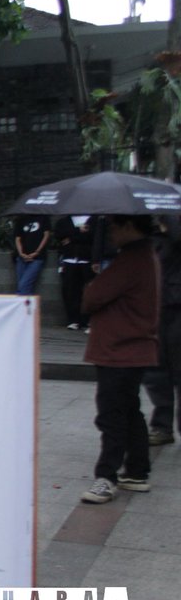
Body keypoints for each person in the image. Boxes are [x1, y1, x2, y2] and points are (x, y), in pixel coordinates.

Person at [78, 215, 160, 504]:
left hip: (119, 349)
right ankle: (137, 471)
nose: (111, 233)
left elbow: (92, 299)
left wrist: (94, 283)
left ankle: (106, 477)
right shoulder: (146, 255)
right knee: (130, 410)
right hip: (134, 349)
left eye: (114, 226)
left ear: (129, 226)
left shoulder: (130, 260)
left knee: (111, 414)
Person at [144, 216, 180, 446]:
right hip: (157, 309)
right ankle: (162, 425)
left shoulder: (175, 235)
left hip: (178, 307)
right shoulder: (153, 239)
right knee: (156, 370)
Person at [55, 216, 94, 330]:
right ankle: (73, 320)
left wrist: (70, 238)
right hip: (69, 260)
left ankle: (87, 320)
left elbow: (91, 237)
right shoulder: (64, 220)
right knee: (70, 291)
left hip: (86, 260)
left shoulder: (92, 219)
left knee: (87, 291)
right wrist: (78, 231)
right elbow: (59, 235)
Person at [13, 214, 51, 296]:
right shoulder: (21, 219)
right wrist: (21, 253)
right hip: (22, 257)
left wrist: (37, 251)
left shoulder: (44, 218)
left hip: (37, 258)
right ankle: (27, 306)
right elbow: (17, 238)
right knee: (22, 285)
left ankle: (22, 305)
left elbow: (46, 235)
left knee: (24, 285)